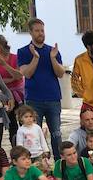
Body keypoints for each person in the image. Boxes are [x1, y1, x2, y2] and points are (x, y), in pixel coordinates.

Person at [17, 19, 64, 159]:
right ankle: (35, 164)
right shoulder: (24, 51)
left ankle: (58, 164)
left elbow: (60, 73)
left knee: (56, 134)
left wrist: (53, 59)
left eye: (42, 30)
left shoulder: (52, 51)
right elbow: (27, 73)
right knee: (32, 135)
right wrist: (36, 58)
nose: (40, 33)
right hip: (34, 100)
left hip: (53, 98)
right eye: (37, 30)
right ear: (30, 32)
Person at [0, 34, 25, 147]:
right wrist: (10, 78)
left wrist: (4, 65)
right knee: (11, 124)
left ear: (0, 45)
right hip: (4, 96)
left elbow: (19, 76)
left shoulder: (14, 58)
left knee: (23, 120)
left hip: (19, 95)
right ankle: (15, 148)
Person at [70, 30, 93, 126]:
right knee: (87, 133)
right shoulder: (79, 60)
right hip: (88, 103)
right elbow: (74, 80)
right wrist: (84, 94)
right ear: (88, 47)